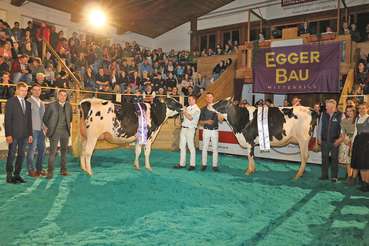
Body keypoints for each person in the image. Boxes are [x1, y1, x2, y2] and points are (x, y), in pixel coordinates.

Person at [4, 82, 33, 184]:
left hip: (24, 135)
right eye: (22, 90)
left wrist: (30, 134)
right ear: (17, 90)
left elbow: (29, 121)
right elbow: (7, 120)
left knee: (21, 155)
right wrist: (8, 134)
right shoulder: (11, 102)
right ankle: (9, 175)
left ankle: (17, 175)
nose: (24, 92)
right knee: (11, 155)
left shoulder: (28, 104)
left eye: (26, 90)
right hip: (13, 135)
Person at [43, 89, 73, 179]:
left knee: (64, 152)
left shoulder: (69, 106)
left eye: (65, 95)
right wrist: (51, 127)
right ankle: (50, 172)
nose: (63, 97)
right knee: (53, 152)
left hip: (65, 132)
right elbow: (45, 118)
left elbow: (70, 118)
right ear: (58, 96)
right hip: (54, 131)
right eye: (61, 95)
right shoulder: (51, 105)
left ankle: (63, 170)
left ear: (66, 97)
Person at [318, 99, 342, 182]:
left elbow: (343, 129)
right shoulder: (323, 114)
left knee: (334, 159)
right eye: (326, 106)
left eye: (327, 106)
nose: (326, 108)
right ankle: (324, 175)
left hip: (335, 141)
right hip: (324, 141)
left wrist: (339, 140)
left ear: (333, 107)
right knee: (324, 158)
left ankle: (334, 177)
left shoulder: (340, 115)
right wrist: (319, 138)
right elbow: (320, 127)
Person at [174, 95, 201, 170]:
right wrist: (180, 119)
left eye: (191, 99)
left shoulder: (197, 109)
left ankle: (192, 164)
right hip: (183, 128)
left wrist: (184, 111)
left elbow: (190, 118)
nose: (189, 101)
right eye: (188, 99)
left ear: (194, 100)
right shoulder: (188, 108)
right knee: (182, 146)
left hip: (190, 129)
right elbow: (184, 117)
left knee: (191, 147)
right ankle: (182, 163)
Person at [199, 92, 223, 172]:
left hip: (215, 131)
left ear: (213, 98)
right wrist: (206, 122)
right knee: (204, 148)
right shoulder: (203, 109)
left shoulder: (217, 108)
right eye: (208, 97)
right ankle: (204, 164)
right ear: (206, 99)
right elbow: (199, 122)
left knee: (215, 149)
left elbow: (221, 120)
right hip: (206, 130)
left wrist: (218, 113)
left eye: (210, 97)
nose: (209, 98)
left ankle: (215, 165)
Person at [26, 84, 47, 177]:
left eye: (39, 90)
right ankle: (31, 170)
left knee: (42, 150)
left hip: (41, 130)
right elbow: (25, 118)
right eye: (35, 90)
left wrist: (45, 127)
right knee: (31, 150)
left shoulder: (41, 102)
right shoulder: (28, 102)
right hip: (32, 130)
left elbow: (43, 117)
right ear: (31, 91)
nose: (37, 91)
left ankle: (39, 169)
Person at [351, 103, 369, 192]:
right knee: (360, 164)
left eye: (363, 108)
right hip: (358, 142)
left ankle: (366, 184)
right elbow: (355, 131)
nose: (361, 110)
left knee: (365, 165)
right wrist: (352, 142)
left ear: (367, 109)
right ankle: (364, 183)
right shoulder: (358, 118)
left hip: (366, 143)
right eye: (360, 108)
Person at [338, 105, 356, 183]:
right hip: (346, 140)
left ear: (354, 111)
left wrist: (352, 141)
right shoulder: (344, 121)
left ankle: (355, 177)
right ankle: (349, 176)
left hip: (356, 141)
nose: (349, 113)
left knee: (355, 160)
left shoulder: (358, 120)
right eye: (347, 111)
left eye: (351, 111)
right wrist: (345, 140)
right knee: (348, 160)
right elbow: (342, 132)